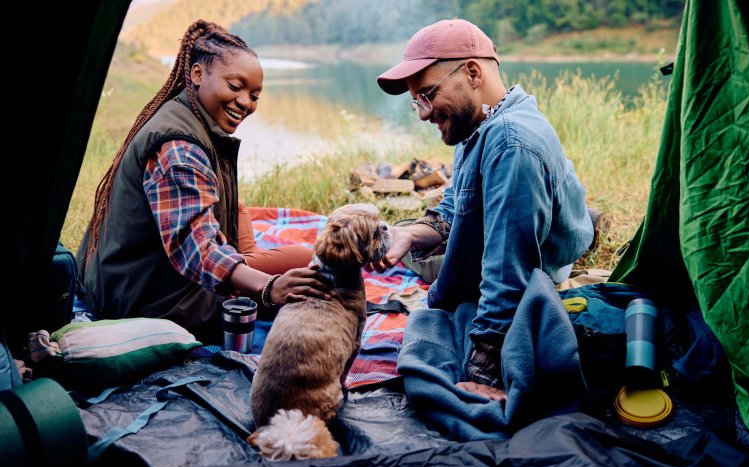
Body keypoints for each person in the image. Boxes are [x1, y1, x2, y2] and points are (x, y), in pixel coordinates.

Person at [371, 19, 593, 400]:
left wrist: (483, 370)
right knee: (397, 240)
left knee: (429, 337)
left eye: (427, 94)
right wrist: (410, 235)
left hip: (532, 274)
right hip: (495, 252)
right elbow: (455, 205)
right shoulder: (479, 121)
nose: (423, 114)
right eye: (416, 102)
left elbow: (510, 270)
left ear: (472, 72)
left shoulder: (510, 145)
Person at [77, 20, 331, 341]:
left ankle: (243, 264)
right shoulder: (179, 145)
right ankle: (244, 269)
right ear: (197, 74)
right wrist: (268, 288)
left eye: (254, 96)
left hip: (133, 279)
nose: (245, 103)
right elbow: (195, 248)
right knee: (309, 264)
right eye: (235, 87)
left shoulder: (189, 117)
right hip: (149, 300)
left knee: (237, 211)